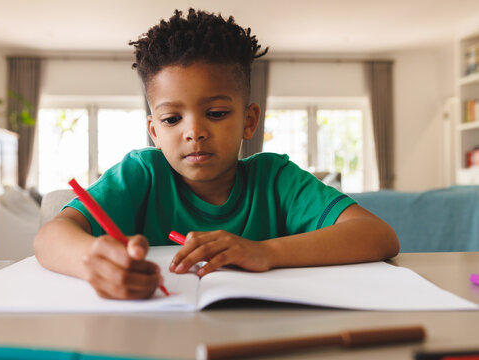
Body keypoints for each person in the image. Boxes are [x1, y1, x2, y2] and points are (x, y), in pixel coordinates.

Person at [33, 8, 399, 300]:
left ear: (249, 120)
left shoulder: (274, 178)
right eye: (172, 118)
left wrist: (263, 252)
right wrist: (93, 263)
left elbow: (378, 235)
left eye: (217, 113)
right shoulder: (142, 173)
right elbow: (50, 237)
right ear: (154, 133)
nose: (194, 131)